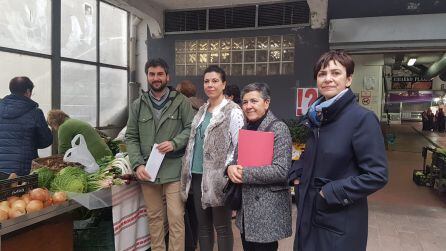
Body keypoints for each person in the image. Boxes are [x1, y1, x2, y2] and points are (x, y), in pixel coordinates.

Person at [288, 50, 388, 251]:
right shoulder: (315, 117)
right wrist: (296, 173)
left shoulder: (361, 119)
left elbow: (377, 174)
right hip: (308, 215)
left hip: (339, 223)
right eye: (322, 74)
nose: (328, 79)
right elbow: (312, 156)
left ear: (349, 79)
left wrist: (330, 192)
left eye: (336, 73)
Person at [126, 58, 195, 251]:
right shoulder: (138, 105)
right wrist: (137, 164)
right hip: (148, 170)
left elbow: (192, 128)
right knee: (154, 218)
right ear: (147, 76)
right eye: (152, 74)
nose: (156, 78)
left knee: (175, 218)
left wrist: (175, 143)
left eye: (160, 74)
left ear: (167, 76)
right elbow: (131, 137)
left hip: (174, 169)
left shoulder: (180, 101)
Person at [180, 65, 244, 251]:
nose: (210, 85)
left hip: (219, 179)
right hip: (197, 175)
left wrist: (226, 170)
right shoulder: (201, 111)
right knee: (203, 227)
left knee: (222, 227)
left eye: (215, 81)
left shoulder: (233, 110)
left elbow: (238, 146)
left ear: (224, 84)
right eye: (207, 81)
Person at [226, 82, 292, 251]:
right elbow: (235, 159)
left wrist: (244, 173)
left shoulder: (279, 129)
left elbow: (281, 170)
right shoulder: (246, 128)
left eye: (254, 101)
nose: (248, 106)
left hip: (266, 211)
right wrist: (230, 168)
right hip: (246, 209)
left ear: (266, 103)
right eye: (245, 102)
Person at [0, 76, 53, 175]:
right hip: (22, 170)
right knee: (22, 190)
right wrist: (30, 141)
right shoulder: (35, 112)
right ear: (28, 91)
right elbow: (46, 140)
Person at [46, 110, 112, 161]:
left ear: (54, 122)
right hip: (106, 154)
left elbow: (63, 150)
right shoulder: (74, 122)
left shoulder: (64, 127)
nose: (54, 129)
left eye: (52, 126)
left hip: (96, 158)